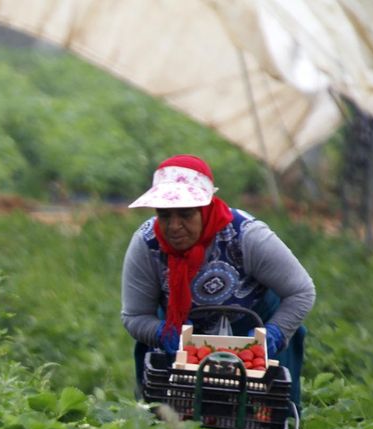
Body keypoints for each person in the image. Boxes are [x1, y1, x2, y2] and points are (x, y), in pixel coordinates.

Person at [120, 154, 315, 409]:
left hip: (252, 324)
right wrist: (163, 334)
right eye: (165, 215)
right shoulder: (148, 244)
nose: (174, 226)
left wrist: (274, 334)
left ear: (205, 209)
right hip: (181, 333)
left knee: (263, 410)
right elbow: (135, 315)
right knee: (176, 413)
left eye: (186, 214)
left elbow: (301, 291)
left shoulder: (246, 235)